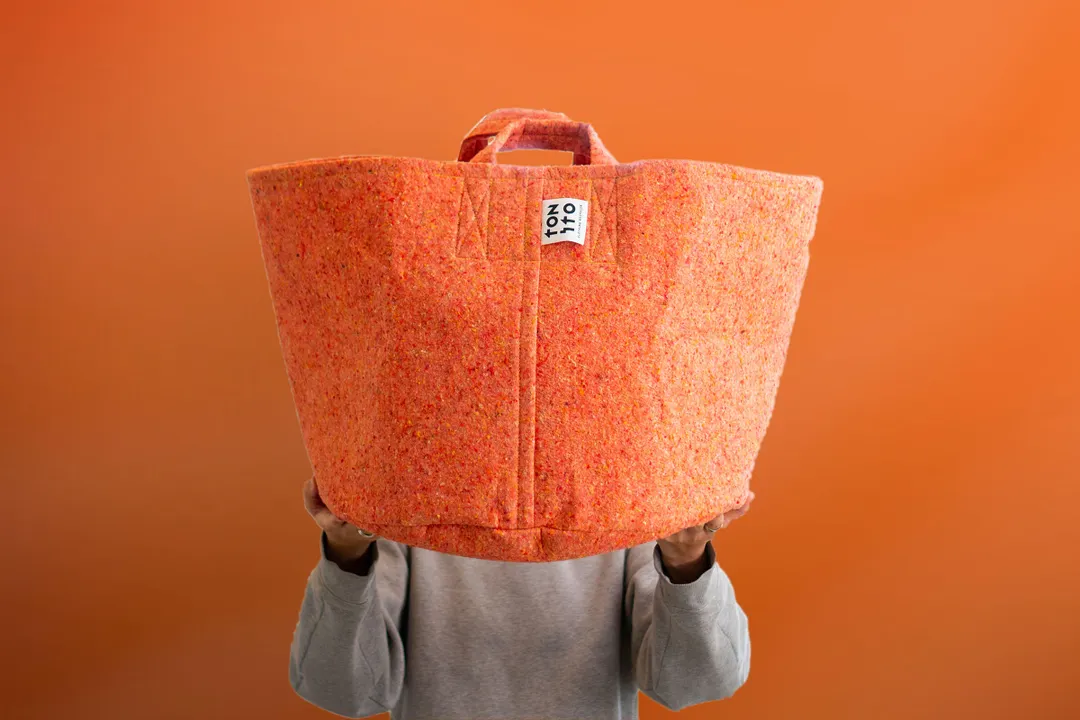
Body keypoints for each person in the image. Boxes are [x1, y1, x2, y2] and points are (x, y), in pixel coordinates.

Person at [290, 476, 754, 719]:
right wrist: (348, 554)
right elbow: (344, 691)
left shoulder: (627, 509)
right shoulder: (408, 508)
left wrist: (685, 559)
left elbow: (697, 683)